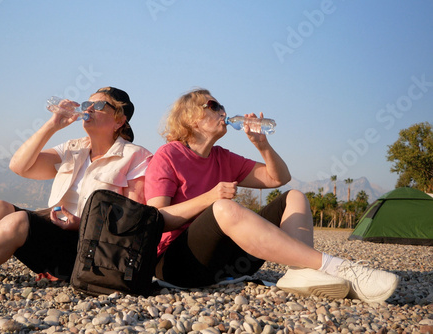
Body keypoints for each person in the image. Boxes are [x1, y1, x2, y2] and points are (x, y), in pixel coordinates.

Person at [145, 88, 399, 303]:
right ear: (190, 118)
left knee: (294, 197)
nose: (222, 110)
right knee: (224, 207)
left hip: (225, 265)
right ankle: (339, 267)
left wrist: (262, 145)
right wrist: (209, 198)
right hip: (179, 265)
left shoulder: (222, 157)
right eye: (212, 105)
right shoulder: (168, 155)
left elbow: (278, 179)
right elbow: (157, 218)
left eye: (221, 104)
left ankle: (302, 271)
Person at [0, 87, 152, 281]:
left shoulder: (136, 157)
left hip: (89, 251)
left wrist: (81, 222)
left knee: (19, 221)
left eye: (99, 105)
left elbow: (133, 221)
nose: (89, 108)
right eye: (87, 104)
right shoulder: (73, 148)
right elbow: (20, 166)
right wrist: (52, 125)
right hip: (55, 235)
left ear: (119, 120)